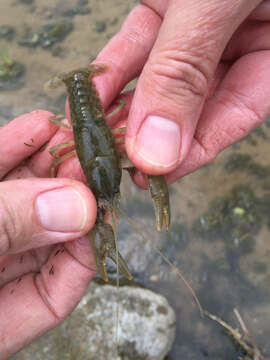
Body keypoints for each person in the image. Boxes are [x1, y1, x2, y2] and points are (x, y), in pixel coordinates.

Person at [0, 0, 269, 357]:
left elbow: (56, 157)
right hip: (88, 126)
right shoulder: (93, 154)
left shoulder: (94, 163)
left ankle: (78, 79)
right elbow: (55, 157)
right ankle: (77, 79)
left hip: (92, 128)